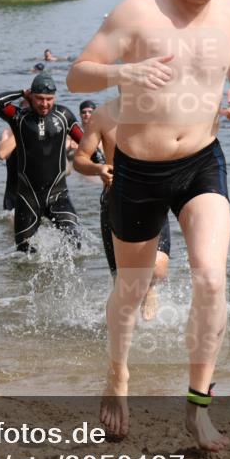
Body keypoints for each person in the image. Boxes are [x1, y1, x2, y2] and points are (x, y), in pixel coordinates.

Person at [66, 0, 230, 452]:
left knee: (211, 278)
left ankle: (197, 407)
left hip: (201, 161)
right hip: (139, 172)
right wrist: (126, 73)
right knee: (130, 288)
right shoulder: (137, 12)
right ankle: (117, 375)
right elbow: (78, 75)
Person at [74, 99, 171, 321]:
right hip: (115, 201)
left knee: (157, 269)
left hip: (153, 199)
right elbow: (80, 159)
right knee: (122, 281)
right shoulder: (103, 115)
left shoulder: (162, 112)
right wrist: (98, 168)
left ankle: (150, 288)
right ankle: (119, 338)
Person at [0, 74, 85, 251]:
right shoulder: (18, 118)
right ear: (31, 96)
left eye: (49, 99)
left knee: (76, 242)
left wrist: (104, 166)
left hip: (58, 195)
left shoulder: (63, 115)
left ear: (55, 97)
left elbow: (87, 144)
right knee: (24, 254)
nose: (44, 104)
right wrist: (21, 93)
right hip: (27, 199)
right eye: (39, 98)